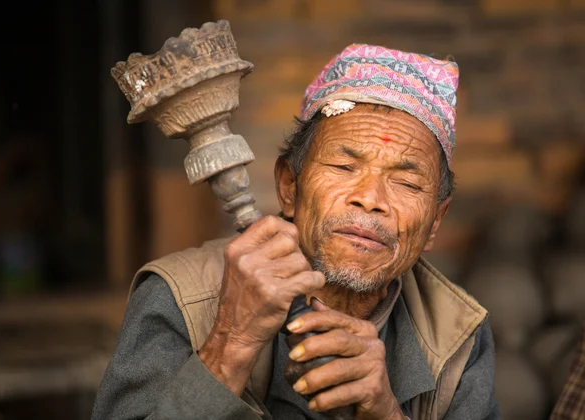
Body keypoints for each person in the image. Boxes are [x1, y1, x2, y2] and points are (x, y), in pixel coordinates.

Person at [91, 44, 500, 419]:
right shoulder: (182, 297)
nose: (370, 199)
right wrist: (230, 344)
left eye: (407, 184)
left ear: (434, 223)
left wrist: (385, 412)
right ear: (290, 187)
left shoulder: (457, 335)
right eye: (344, 167)